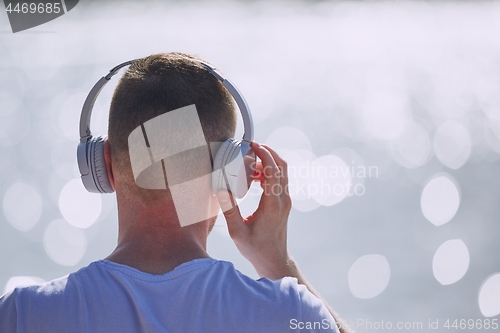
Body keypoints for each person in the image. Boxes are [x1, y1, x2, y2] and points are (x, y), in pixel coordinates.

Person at [0, 52, 352, 333]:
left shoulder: (21, 315)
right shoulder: (289, 315)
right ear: (228, 172)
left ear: (103, 164)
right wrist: (277, 262)